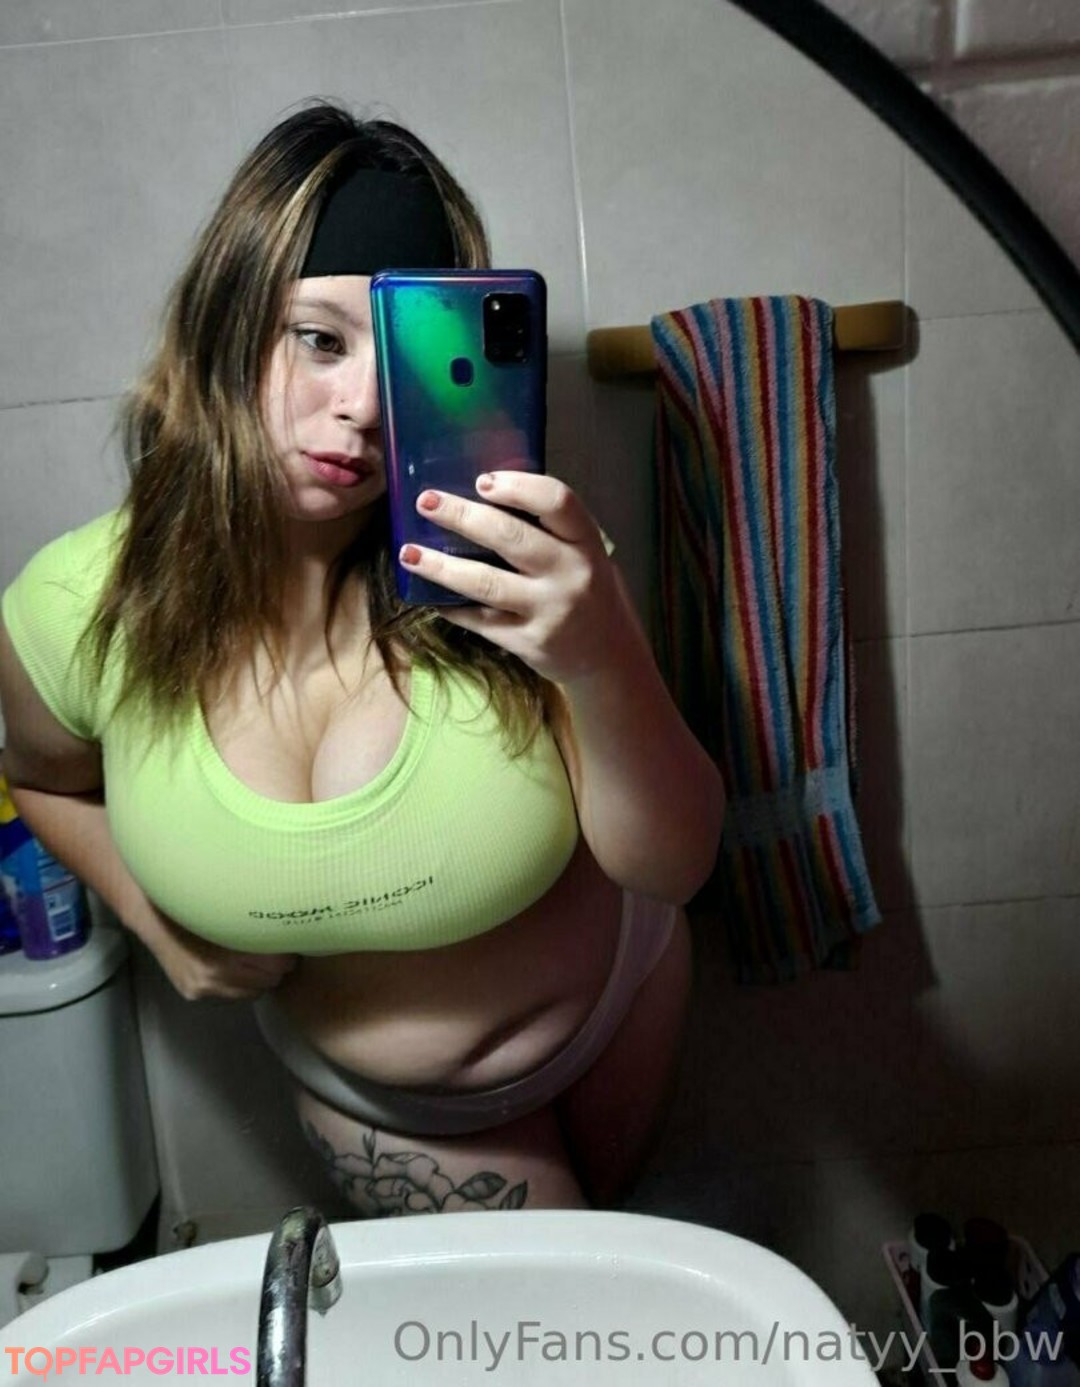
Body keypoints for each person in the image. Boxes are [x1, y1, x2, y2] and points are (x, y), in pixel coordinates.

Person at [0, 101, 724, 1216]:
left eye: (405, 356)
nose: (366, 408)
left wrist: (599, 656)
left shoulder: (523, 565)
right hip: (392, 1108)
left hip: (623, 998)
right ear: (226, 324)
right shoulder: (75, 606)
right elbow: (44, 778)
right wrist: (154, 923)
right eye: (320, 339)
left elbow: (674, 865)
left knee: (618, 1267)